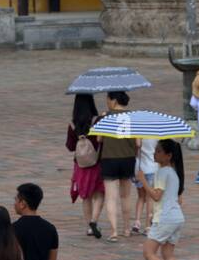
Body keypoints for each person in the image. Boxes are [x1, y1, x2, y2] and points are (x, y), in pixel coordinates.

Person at [137, 139, 185, 260]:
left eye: (158, 151)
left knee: (148, 252)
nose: (154, 153)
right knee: (168, 254)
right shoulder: (173, 172)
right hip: (176, 217)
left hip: (165, 218)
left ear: (168, 155)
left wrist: (142, 180)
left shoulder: (163, 172)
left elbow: (156, 196)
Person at [98, 91, 137, 241]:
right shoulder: (133, 117)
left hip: (109, 158)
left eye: (108, 99)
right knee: (126, 195)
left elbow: (100, 139)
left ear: (113, 100)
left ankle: (114, 231)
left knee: (111, 197)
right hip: (128, 158)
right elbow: (138, 143)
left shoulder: (105, 116)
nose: (107, 102)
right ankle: (126, 228)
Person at [66, 94, 105, 239]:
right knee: (100, 193)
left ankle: (89, 226)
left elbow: (70, 146)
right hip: (97, 162)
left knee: (86, 196)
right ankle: (95, 220)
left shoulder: (72, 124)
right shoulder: (97, 120)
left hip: (80, 165)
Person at [12, 183, 59, 260]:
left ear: (23, 204)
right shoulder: (50, 228)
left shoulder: (13, 229)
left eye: (16, 200)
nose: (14, 203)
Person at [133, 134, 156, 233]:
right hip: (152, 167)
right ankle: (147, 226)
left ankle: (137, 221)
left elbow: (136, 149)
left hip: (139, 168)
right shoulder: (156, 135)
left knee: (141, 197)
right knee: (149, 198)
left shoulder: (138, 134)